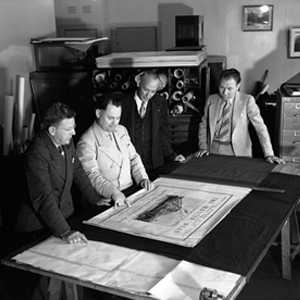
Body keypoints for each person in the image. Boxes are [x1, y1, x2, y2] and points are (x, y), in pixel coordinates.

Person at [15, 102, 104, 245]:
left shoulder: (65, 140)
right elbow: (43, 198)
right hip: (39, 224)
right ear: (52, 130)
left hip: (65, 215)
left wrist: (95, 199)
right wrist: (64, 231)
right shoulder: (36, 153)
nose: (74, 133)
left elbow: (78, 170)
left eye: (73, 127)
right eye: (69, 129)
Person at [76, 93, 154, 208]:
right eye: (110, 118)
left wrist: (142, 179)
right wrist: (114, 192)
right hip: (107, 198)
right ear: (98, 113)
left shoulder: (122, 130)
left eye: (118, 118)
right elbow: (91, 176)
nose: (115, 123)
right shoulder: (86, 141)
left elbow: (133, 158)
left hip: (129, 191)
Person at [194, 68, 285, 164]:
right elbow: (203, 125)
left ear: (238, 86)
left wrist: (269, 154)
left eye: (229, 89)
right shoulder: (211, 100)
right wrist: (203, 147)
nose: (224, 92)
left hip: (238, 152)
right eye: (221, 87)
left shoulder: (247, 100)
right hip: (213, 150)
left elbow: (260, 127)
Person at [120, 70, 185, 172]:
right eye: (145, 89)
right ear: (139, 83)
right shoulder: (122, 103)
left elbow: (163, 133)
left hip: (154, 163)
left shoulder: (160, 102)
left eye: (153, 91)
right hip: (130, 165)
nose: (148, 95)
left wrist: (172, 155)